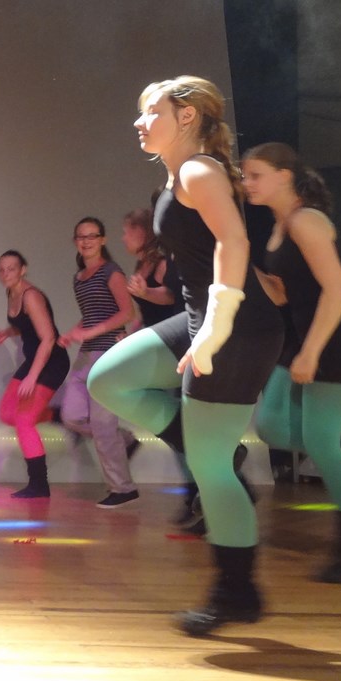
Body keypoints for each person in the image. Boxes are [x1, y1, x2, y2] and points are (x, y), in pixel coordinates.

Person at [88, 77, 284, 636]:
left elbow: (233, 242)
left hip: (234, 330)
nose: (140, 121)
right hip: (201, 319)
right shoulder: (179, 177)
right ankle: (210, 451)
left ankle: (237, 592)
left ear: (187, 117)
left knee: (210, 469)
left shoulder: (199, 171)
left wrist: (216, 328)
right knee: (108, 378)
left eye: (152, 111)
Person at [242, 143, 341, 581]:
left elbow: (337, 291)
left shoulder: (307, 220)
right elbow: (285, 295)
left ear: (284, 175)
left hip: (339, 335)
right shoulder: (279, 226)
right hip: (303, 331)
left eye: (255, 175)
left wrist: (312, 351)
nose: (246, 183)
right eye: (245, 175)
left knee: (319, 441)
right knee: (271, 426)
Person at [122, 203, 198, 525]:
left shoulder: (164, 263)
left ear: (143, 232)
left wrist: (146, 293)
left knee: (181, 426)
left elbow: (171, 300)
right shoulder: (146, 263)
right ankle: (193, 494)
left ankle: (197, 494)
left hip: (174, 351)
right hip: (162, 349)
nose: (123, 237)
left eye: (128, 231)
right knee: (176, 427)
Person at [56, 217, 140, 507]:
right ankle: (124, 440)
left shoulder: (111, 271)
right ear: (75, 241)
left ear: (102, 240)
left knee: (103, 425)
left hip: (109, 353)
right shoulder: (79, 278)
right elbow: (92, 314)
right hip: (86, 354)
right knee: (71, 415)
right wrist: (74, 332)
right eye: (81, 236)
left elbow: (127, 312)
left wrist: (91, 332)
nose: (86, 241)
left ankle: (123, 488)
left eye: (92, 236)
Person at [0, 250, 71, 498]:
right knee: (6, 413)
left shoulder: (31, 296)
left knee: (24, 420)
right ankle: (61, 416)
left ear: (23, 270)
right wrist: (8, 332)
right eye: (1, 269)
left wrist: (32, 377)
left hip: (52, 361)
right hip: (35, 359)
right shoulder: (11, 292)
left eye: (11, 268)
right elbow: (26, 325)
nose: (5, 274)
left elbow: (48, 338)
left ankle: (39, 484)